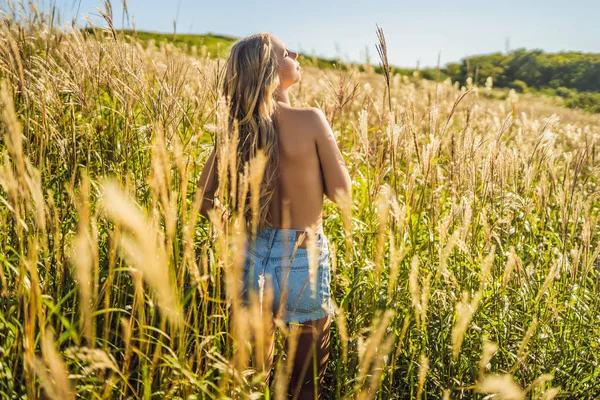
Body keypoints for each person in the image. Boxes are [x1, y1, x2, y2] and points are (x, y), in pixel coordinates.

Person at [196, 32, 352, 399]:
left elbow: (203, 199)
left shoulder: (234, 129)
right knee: (305, 385)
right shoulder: (311, 120)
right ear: (271, 71)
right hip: (303, 255)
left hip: (251, 253)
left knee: (251, 378)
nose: (295, 52)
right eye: (286, 52)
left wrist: (234, 230)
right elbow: (341, 194)